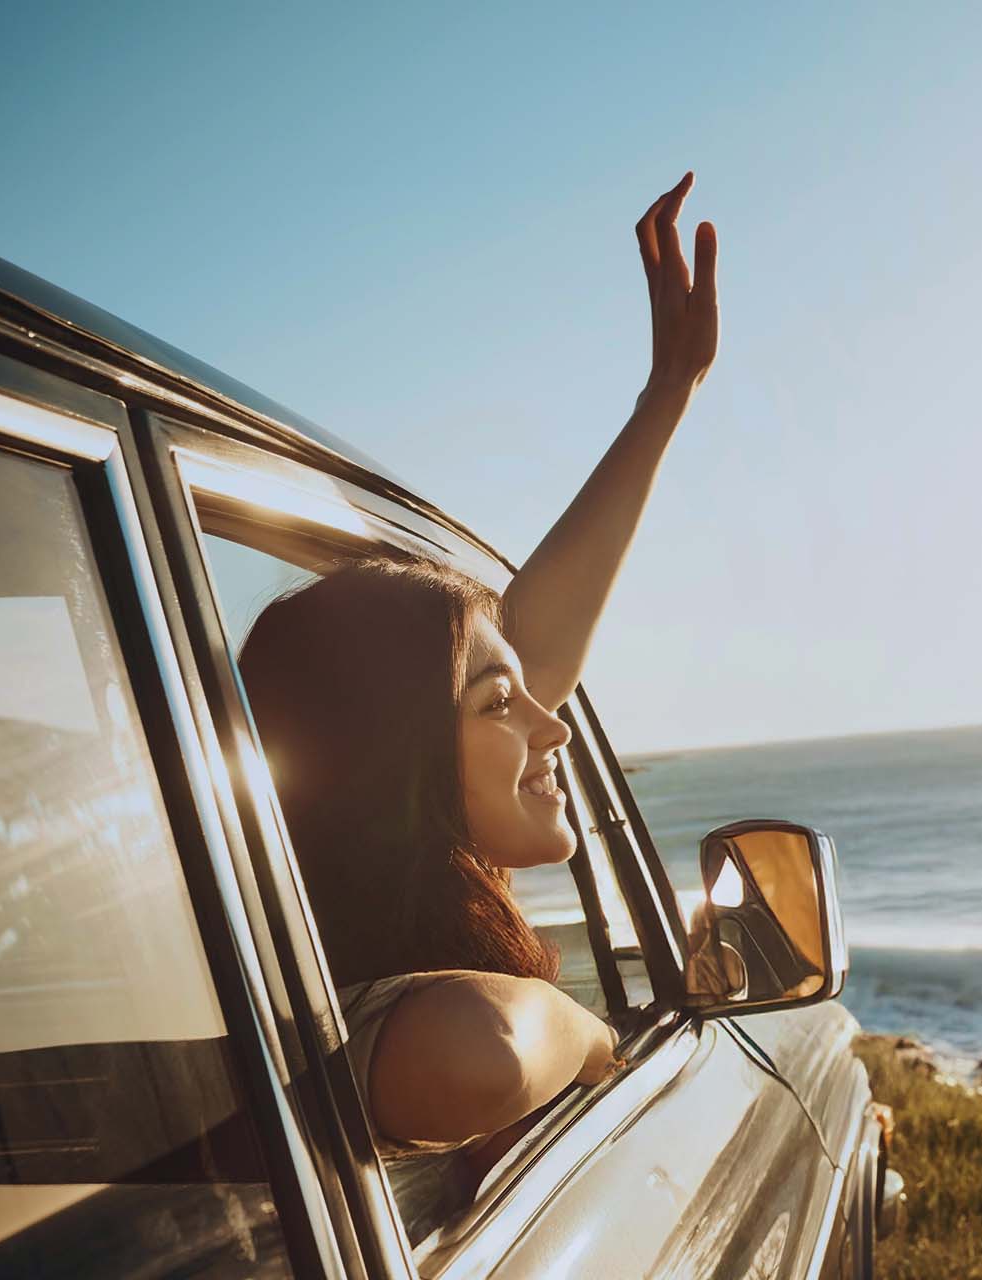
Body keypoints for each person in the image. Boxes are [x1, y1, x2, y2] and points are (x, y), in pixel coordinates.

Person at [236, 173, 718, 1215]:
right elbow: (486, 1050)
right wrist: (589, 1035)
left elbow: (519, 656)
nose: (555, 724)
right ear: (392, 760)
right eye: (502, 704)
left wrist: (666, 396)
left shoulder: (379, 924)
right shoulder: (361, 1007)